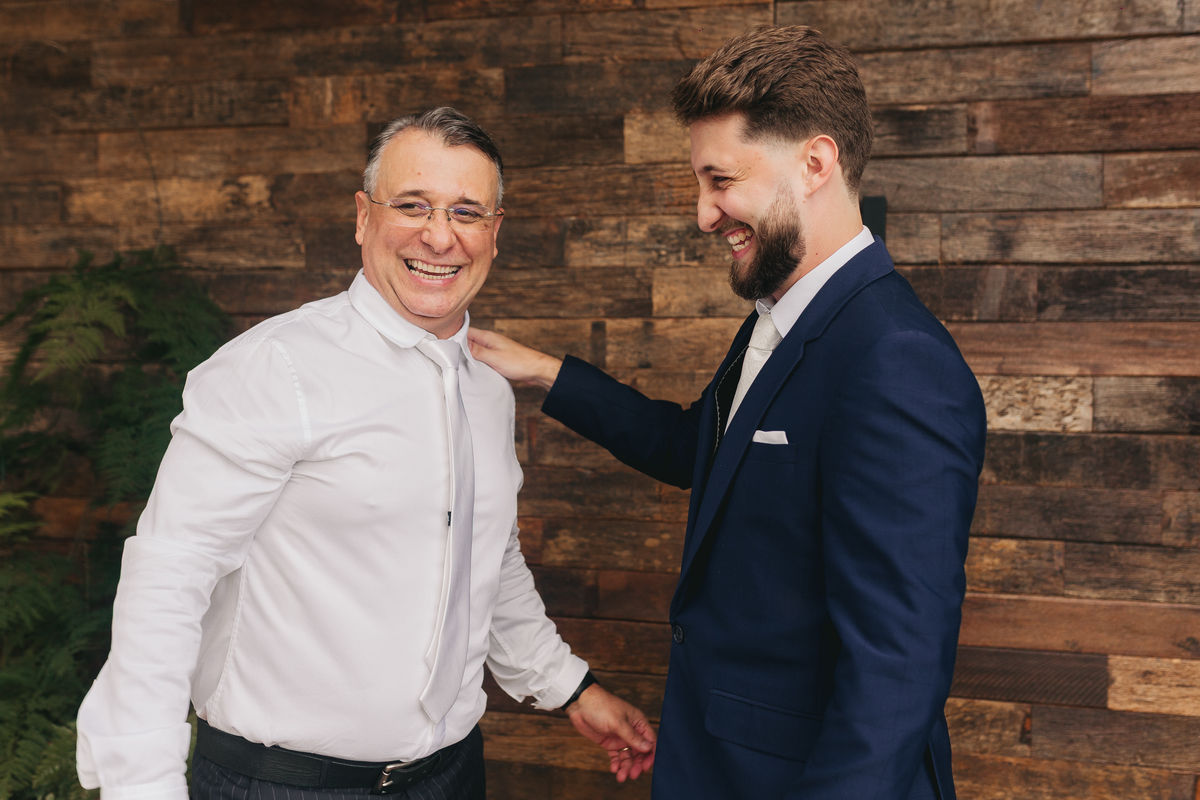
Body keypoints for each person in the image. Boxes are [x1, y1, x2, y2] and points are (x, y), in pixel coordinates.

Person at [75, 107, 655, 800]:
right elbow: (171, 574)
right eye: (412, 205)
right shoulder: (275, 367)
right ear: (362, 217)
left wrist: (569, 686)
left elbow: (486, 559)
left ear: (494, 233)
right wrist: (141, 782)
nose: (439, 235)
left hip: (451, 777)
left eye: (466, 212)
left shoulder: (488, 390)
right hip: (284, 786)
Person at [469, 26, 987, 800]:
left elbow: (898, 669)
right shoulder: (783, 318)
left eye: (720, 181)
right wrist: (548, 373)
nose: (704, 214)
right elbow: (704, 450)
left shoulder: (895, 358)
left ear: (815, 163)